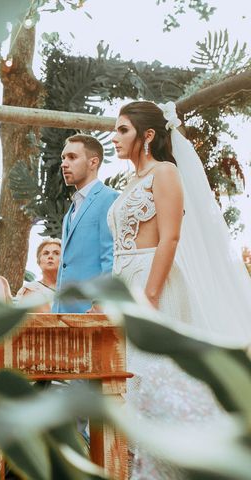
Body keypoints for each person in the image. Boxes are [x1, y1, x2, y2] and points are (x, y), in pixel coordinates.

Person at [109, 100, 251, 478]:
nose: (115, 136)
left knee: (153, 381)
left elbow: (170, 238)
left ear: (148, 134)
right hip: (124, 283)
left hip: (152, 282)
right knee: (126, 385)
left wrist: (150, 296)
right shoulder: (130, 182)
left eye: (123, 129)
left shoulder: (165, 173)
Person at [52, 134, 119, 313]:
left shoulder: (109, 199)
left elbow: (111, 257)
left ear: (93, 162)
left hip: (91, 312)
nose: (64, 164)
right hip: (62, 313)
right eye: (63, 158)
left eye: (72, 157)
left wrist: (101, 303)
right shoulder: (71, 210)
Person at [17, 237, 61, 312]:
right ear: (39, 261)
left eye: (56, 253)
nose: (50, 256)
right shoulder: (30, 289)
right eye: (46, 253)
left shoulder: (72, 290)